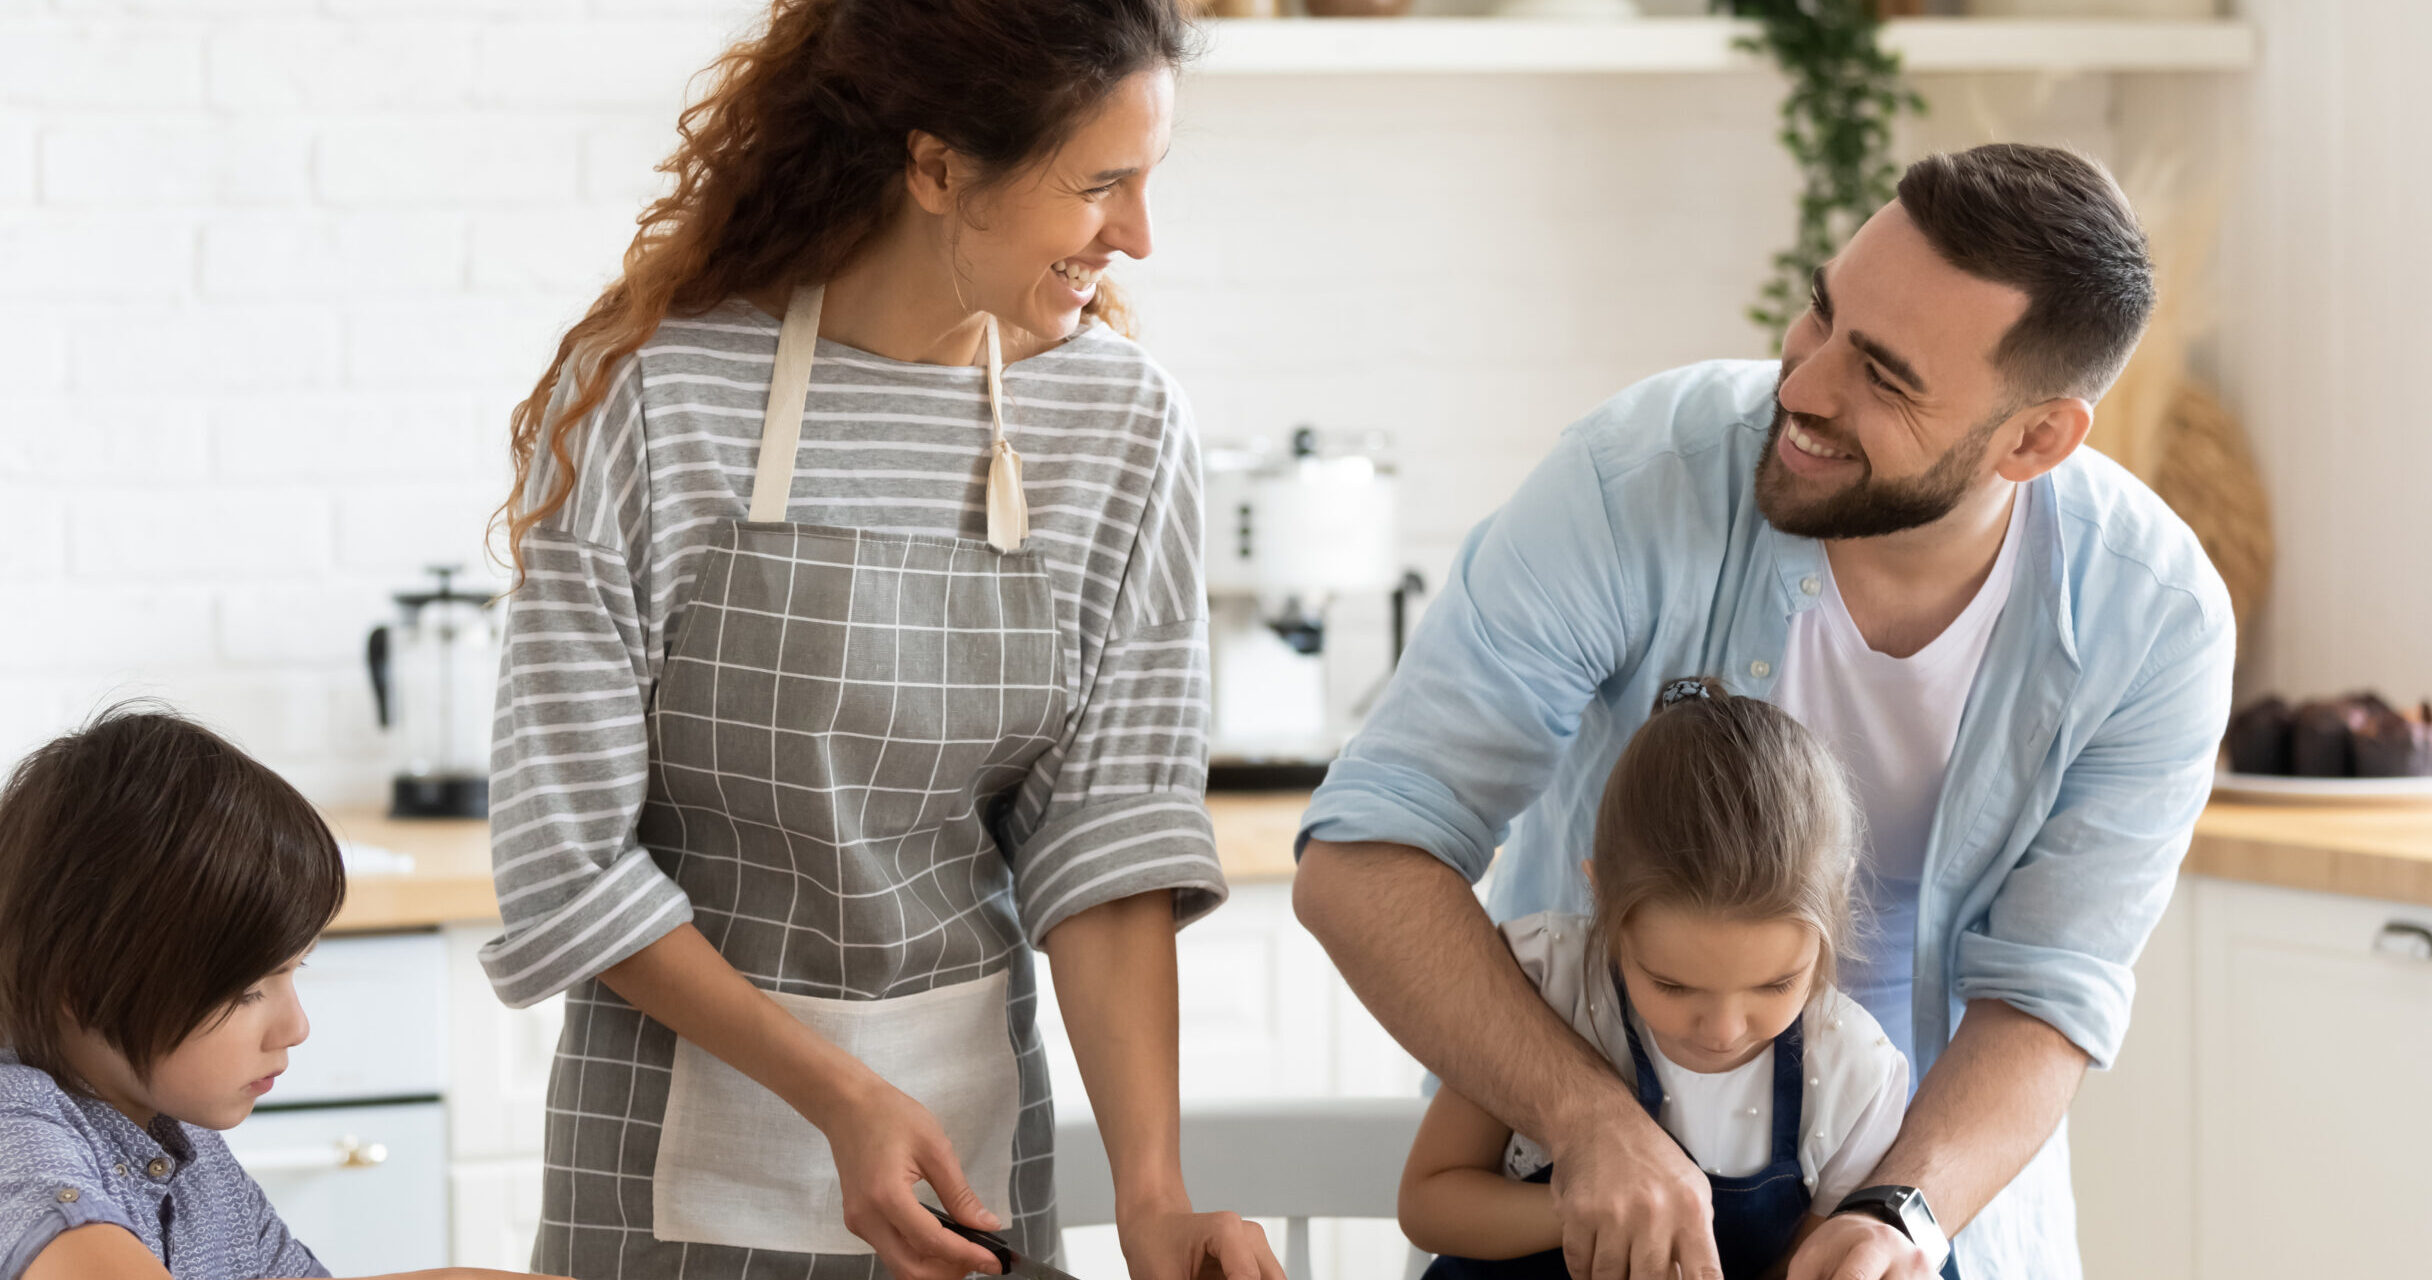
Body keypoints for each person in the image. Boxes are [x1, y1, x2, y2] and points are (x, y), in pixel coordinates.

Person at [1294, 143, 2234, 1280]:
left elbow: (2046, 994)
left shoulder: (2156, 619)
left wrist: (1900, 1212)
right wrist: (1591, 1123)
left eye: (1883, 376)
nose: (1800, 385)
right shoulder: (1631, 478)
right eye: (1819, 314)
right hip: (1584, 1206)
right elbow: (1366, 852)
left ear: (2033, 439)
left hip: (1933, 1218)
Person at [479, 3, 1278, 1280]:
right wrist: (839, 1094)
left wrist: (1152, 1195)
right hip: (663, 1182)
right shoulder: (661, 398)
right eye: (1100, 184)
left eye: (1146, 182)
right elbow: (565, 861)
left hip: (971, 1178)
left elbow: (1107, 834)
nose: (1135, 236)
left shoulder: (1116, 426)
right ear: (938, 167)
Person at [0, 707, 564, 1280]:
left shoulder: (187, 1153)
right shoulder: (3, 1136)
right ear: (82, 990)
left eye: (293, 973)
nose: (294, 1027)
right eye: (245, 991)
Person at [1399, 680, 1919, 1280]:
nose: (1724, 1030)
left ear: (1837, 904)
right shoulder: (1539, 988)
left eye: (1776, 985)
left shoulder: (1852, 1073)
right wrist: (1591, 1209)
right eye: (1672, 986)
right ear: (1602, 899)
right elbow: (1427, 1202)